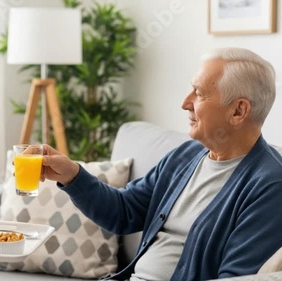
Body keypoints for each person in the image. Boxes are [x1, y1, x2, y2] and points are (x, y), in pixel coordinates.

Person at [40, 47, 282, 281]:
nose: (185, 103)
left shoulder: (270, 185)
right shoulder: (186, 156)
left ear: (238, 111)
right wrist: (71, 174)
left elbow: (236, 278)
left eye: (198, 93)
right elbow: (123, 212)